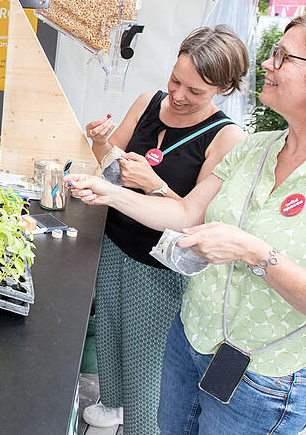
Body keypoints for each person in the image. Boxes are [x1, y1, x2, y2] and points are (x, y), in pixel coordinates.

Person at [68, 9, 306, 435]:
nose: (266, 64)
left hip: (263, 375)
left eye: (283, 57)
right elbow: (186, 214)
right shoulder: (258, 147)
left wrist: (256, 253)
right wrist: (109, 191)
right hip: (191, 342)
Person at [80, 26, 249, 435]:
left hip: (161, 265)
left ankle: (142, 427)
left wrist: (156, 185)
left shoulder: (226, 137)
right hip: (114, 240)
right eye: (176, 80)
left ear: (223, 89)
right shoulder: (147, 101)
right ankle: (111, 404)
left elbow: (195, 217)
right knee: (110, 332)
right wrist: (98, 140)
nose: (178, 95)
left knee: (146, 360)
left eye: (195, 90)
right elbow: (110, 163)